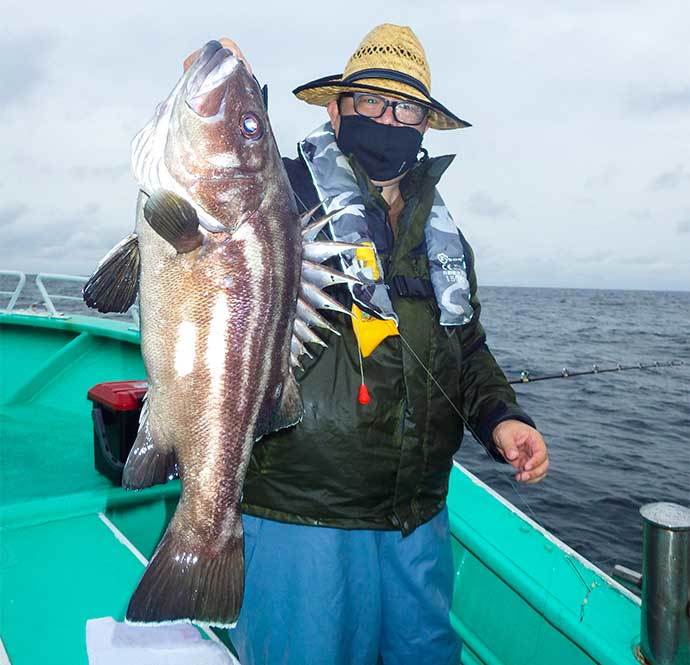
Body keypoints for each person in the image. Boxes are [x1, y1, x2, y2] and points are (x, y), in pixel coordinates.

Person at [187, 23, 548, 665]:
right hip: (303, 510)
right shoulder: (287, 193)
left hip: (417, 513)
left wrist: (502, 416)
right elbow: (221, 190)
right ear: (336, 108)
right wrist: (224, 88)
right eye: (370, 101)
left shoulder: (446, 241)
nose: (386, 117)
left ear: (424, 124)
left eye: (403, 106)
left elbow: (467, 351)